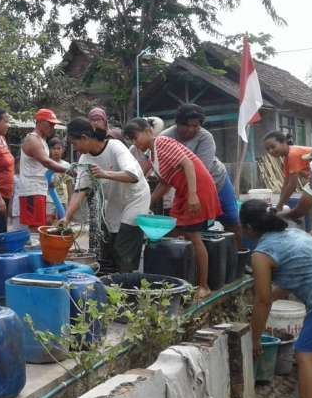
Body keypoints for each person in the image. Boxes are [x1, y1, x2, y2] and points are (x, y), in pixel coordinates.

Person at [124, 117, 222, 298]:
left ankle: (204, 285)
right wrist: (147, 203)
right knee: (172, 231)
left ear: (147, 131)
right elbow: (165, 183)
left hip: (197, 188)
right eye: (130, 139)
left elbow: (188, 164)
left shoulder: (161, 142)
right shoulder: (153, 155)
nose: (134, 143)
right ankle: (179, 278)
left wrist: (193, 195)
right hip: (183, 191)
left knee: (194, 236)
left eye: (135, 137)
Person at [241, 200, 312, 398]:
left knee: (306, 357)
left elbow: (263, 301)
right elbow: (286, 284)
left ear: (248, 228)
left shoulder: (261, 253)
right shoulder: (294, 233)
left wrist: (255, 338)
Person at [61, 118, 150, 273]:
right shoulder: (85, 159)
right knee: (109, 245)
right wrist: (67, 217)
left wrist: (105, 173)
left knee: (124, 246)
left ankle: (126, 282)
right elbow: (80, 190)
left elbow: (133, 175)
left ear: (84, 138)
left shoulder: (115, 146)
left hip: (136, 198)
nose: (75, 149)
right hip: (115, 201)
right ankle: (112, 281)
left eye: (75, 144)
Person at [161, 104, 243, 246]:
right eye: (187, 126)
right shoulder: (165, 137)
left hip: (217, 180)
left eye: (196, 126)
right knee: (189, 225)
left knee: (231, 219)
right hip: (186, 187)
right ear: (177, 123)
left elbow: (201, 171)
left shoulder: (205, 137)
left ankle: (238, 254)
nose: (191, 130)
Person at [17, 108, 69, 232]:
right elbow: (46, 162)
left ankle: (40, 249)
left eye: (53, 124)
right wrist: (67, 170)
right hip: (32, 189)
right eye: (50, 124)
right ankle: (36, 249)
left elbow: (42, 166)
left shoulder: (42, 140)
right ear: (40, 122)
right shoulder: (33, 140)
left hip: (39, 188)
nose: (53, 127)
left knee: (40, 225)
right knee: (35, 227)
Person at [263, 130, 312, 212]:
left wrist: (279, 206)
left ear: (283, 142)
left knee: (300, 209)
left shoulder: (293, 154)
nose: (270, 151)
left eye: (273, 147)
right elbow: (286, 183)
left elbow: (292, 185)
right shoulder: (287, 158)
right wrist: (280, 203)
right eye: (267, 149)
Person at [46, 136, 70, 223]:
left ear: (63, 150)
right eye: (54, 148)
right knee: (48, 220)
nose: (56, 151)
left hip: (63, 198)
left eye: (58, 148)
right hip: (49, 198)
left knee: (63, 221)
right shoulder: (46, 163)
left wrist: (70, 201)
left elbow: (69, 184)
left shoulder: (66, 165)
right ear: (50, 150)